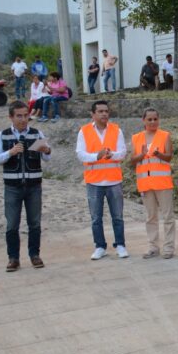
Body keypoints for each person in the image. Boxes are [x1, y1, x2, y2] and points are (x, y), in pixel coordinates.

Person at [0, 100, 52, 271]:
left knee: (34, 223)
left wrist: (46, 151)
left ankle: (35, 255)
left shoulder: (36, 133)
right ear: (11, 117)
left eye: (26, 115)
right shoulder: (2, 135)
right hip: (12, 186)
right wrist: (10, 152)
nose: (23, 119)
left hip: (34, 186)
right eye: (19, 116)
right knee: (12, 224)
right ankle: (13, 258)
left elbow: (47, 157)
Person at [76, 100, 129, 260]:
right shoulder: (84, 131)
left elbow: (123, 152)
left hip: (114, 180)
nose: (104, 114)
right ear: (93, 114)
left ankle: (120, 245)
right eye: (100, 111)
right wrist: (96, 156)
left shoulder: (116, 130)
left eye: (106, 111)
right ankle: (100, 246)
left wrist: (112, 154)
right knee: (96, 218)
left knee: (118, 216)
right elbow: (80, 154)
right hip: (94, 182)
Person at [130, 108, 175, 259]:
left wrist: (159, 154)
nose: (153, 122)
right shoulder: (136, 138)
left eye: (155, 119)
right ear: (143, 120)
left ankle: (168, 248)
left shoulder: (165, 136)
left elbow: (169, 157)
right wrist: (141, 155)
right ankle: (153, 247)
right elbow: (132, 160)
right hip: (145, 183)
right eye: (149, 119)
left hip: (163, 183)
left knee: (167, 217)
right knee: (151, 217)